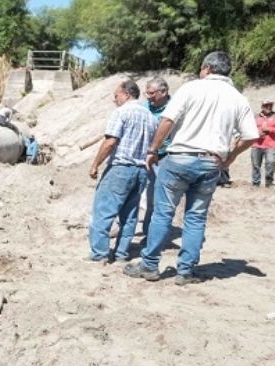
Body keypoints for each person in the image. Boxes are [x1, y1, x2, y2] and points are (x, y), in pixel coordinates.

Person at [124, 51, 259, 285]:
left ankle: (149, 265)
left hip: (179, 157)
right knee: (196, 218)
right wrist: (230, 157)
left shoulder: (191, 88)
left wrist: (152, 149)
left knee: (163, 213)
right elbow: (250, 136)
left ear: (207, 68)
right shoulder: (238, 98)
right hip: (211, 161)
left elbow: (168, 120)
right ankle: (185, 271)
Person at [87, 80, 157, 263]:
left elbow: (110, 142)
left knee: (103, 212)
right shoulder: (150, 116)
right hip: (141, 170)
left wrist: (95, 164)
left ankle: (99, 255)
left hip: (121, 168)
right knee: (130, 215)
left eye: (116, 96)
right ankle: (121, 254)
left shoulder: (121, 113)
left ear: (126, 94)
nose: (114, 100)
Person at [141, 78, 171, 237]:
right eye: (147, 93)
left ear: (164, 92)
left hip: (164, 158)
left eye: (151, 93)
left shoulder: (174, 108)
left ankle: (151, 233)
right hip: (144, 156)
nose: (148, 96)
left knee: (157, 196)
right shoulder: (144, 107)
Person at [251, 99, 275, 187]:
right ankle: (255, 183)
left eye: (270, 105)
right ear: (262, 106)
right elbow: (250, 128)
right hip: (256, 145)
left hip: (271, 145)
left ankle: (269, 183)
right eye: (266, 105)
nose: (268, 107)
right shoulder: (256, 117)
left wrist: (270, 129)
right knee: (256, 165)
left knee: (270, 163)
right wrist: (257, 132)